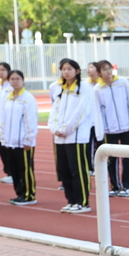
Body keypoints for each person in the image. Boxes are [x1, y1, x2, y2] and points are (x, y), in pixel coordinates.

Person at [49, 57, 99, 214]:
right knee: (64, 170)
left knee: (77, 170)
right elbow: (54, 110)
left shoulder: (84, 88)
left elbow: (81, 111)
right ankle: (71, 200)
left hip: (76, 137)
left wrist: (66, 128)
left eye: (69, 69)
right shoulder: (61, 89)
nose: (66, 72)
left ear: (77, 71)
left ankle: (82, 202)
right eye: (63, 69)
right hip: (60, 138)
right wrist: (54, 128)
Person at [95, 60, 129, 197]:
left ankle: (127, 186)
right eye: (104, 69)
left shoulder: (122, 82)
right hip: (109, 129)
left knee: (127, 157)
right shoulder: (98, 89)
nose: (108, 71)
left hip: (126, 127)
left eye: (109, 68)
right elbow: (98, 112)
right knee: (111, 160)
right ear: (99, 73)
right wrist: (100, 132)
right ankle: (115, 185)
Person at [1, 70, 39, 206]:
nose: (15, 81)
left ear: (23, 80)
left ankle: (29, 195)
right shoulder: (8, 97)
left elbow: (31, 120)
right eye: (12, 79)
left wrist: (29, 139)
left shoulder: (27, 98)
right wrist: (4, 138)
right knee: (15, 170)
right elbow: (4, 119)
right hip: (10, 142)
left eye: (17, 79)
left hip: (23, 142)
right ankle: (19, 194)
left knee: (25, 169)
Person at [0, 62, 15, 183]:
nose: (0, 72)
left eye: (3, 70)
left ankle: (12, 172)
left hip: (7, 124)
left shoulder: (11, 86)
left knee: (9, 149)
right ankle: (8, 171)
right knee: (1, 149)